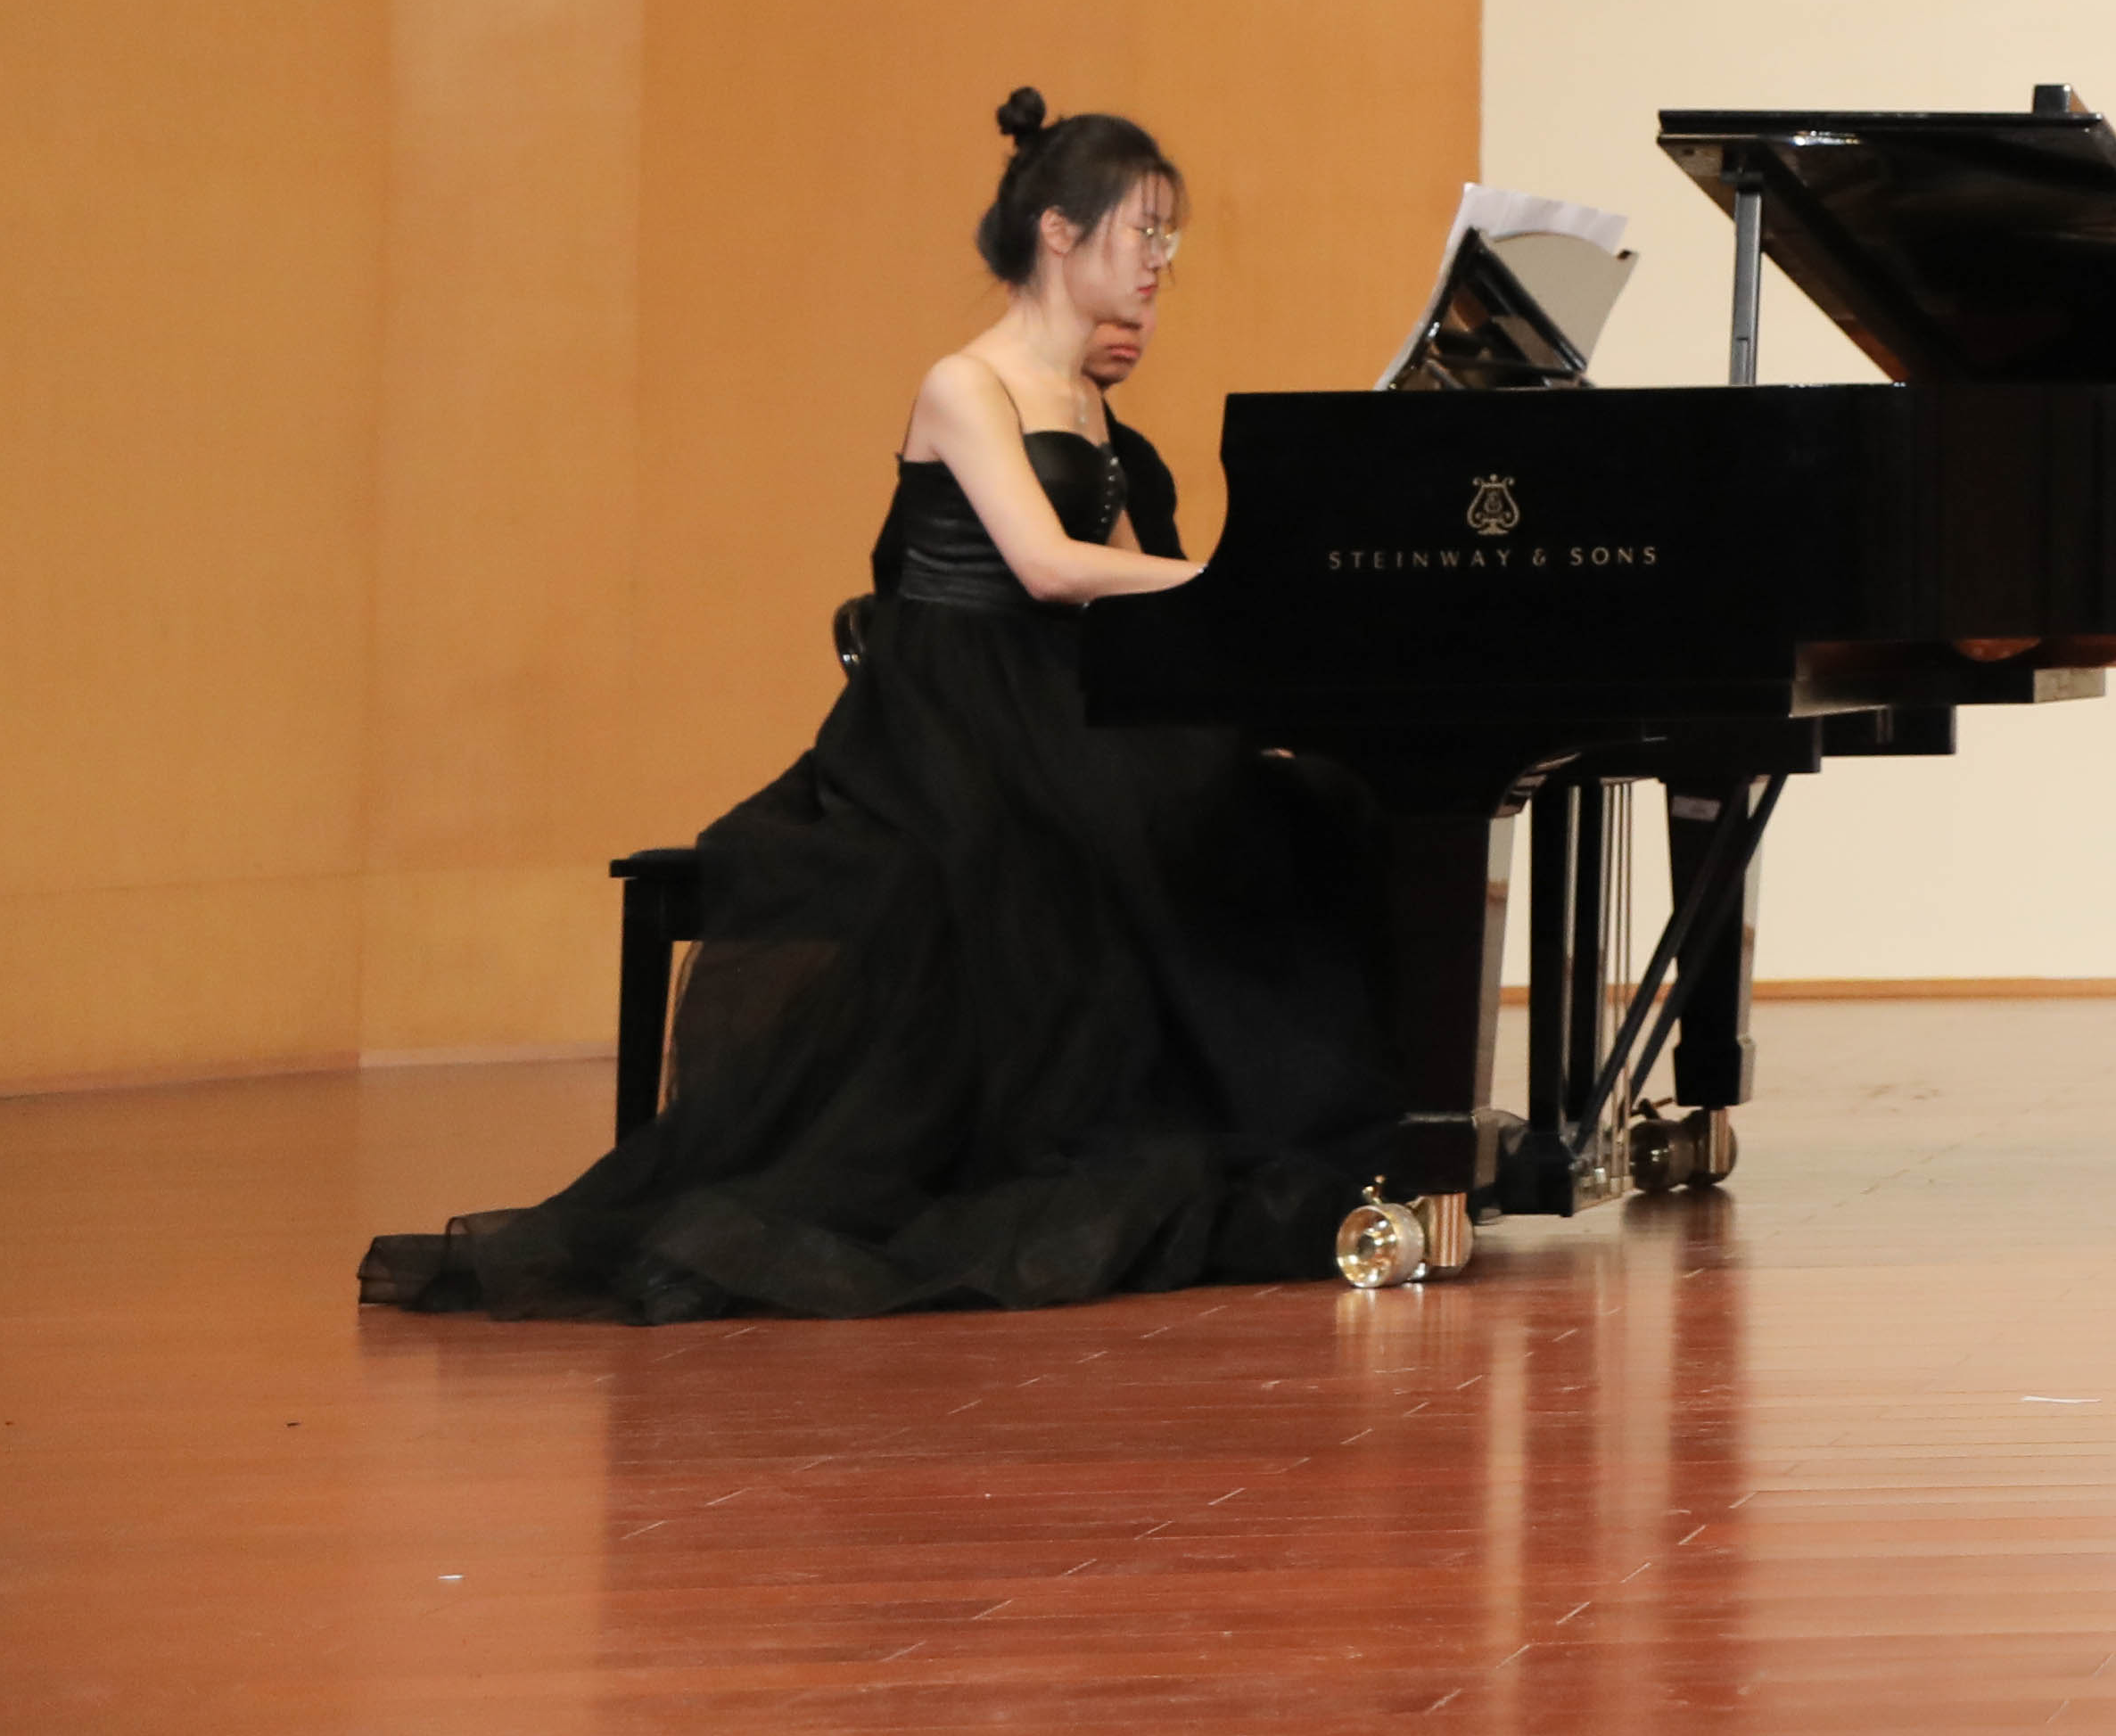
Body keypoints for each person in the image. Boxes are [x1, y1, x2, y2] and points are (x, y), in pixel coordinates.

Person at [362, 95, 1396, 1321]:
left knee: (1287, 805)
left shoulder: (1092, 403)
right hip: (955, 705)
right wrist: (1242, 583)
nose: (1159, 263)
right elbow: (1046, 566)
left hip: (1063, 694)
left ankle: (1322, 1124)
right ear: (1060, 232)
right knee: (1090, 843)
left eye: (1171, 239)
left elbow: (1137, 584)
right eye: (1144, 231)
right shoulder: (966, 384)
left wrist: (1268, 613)